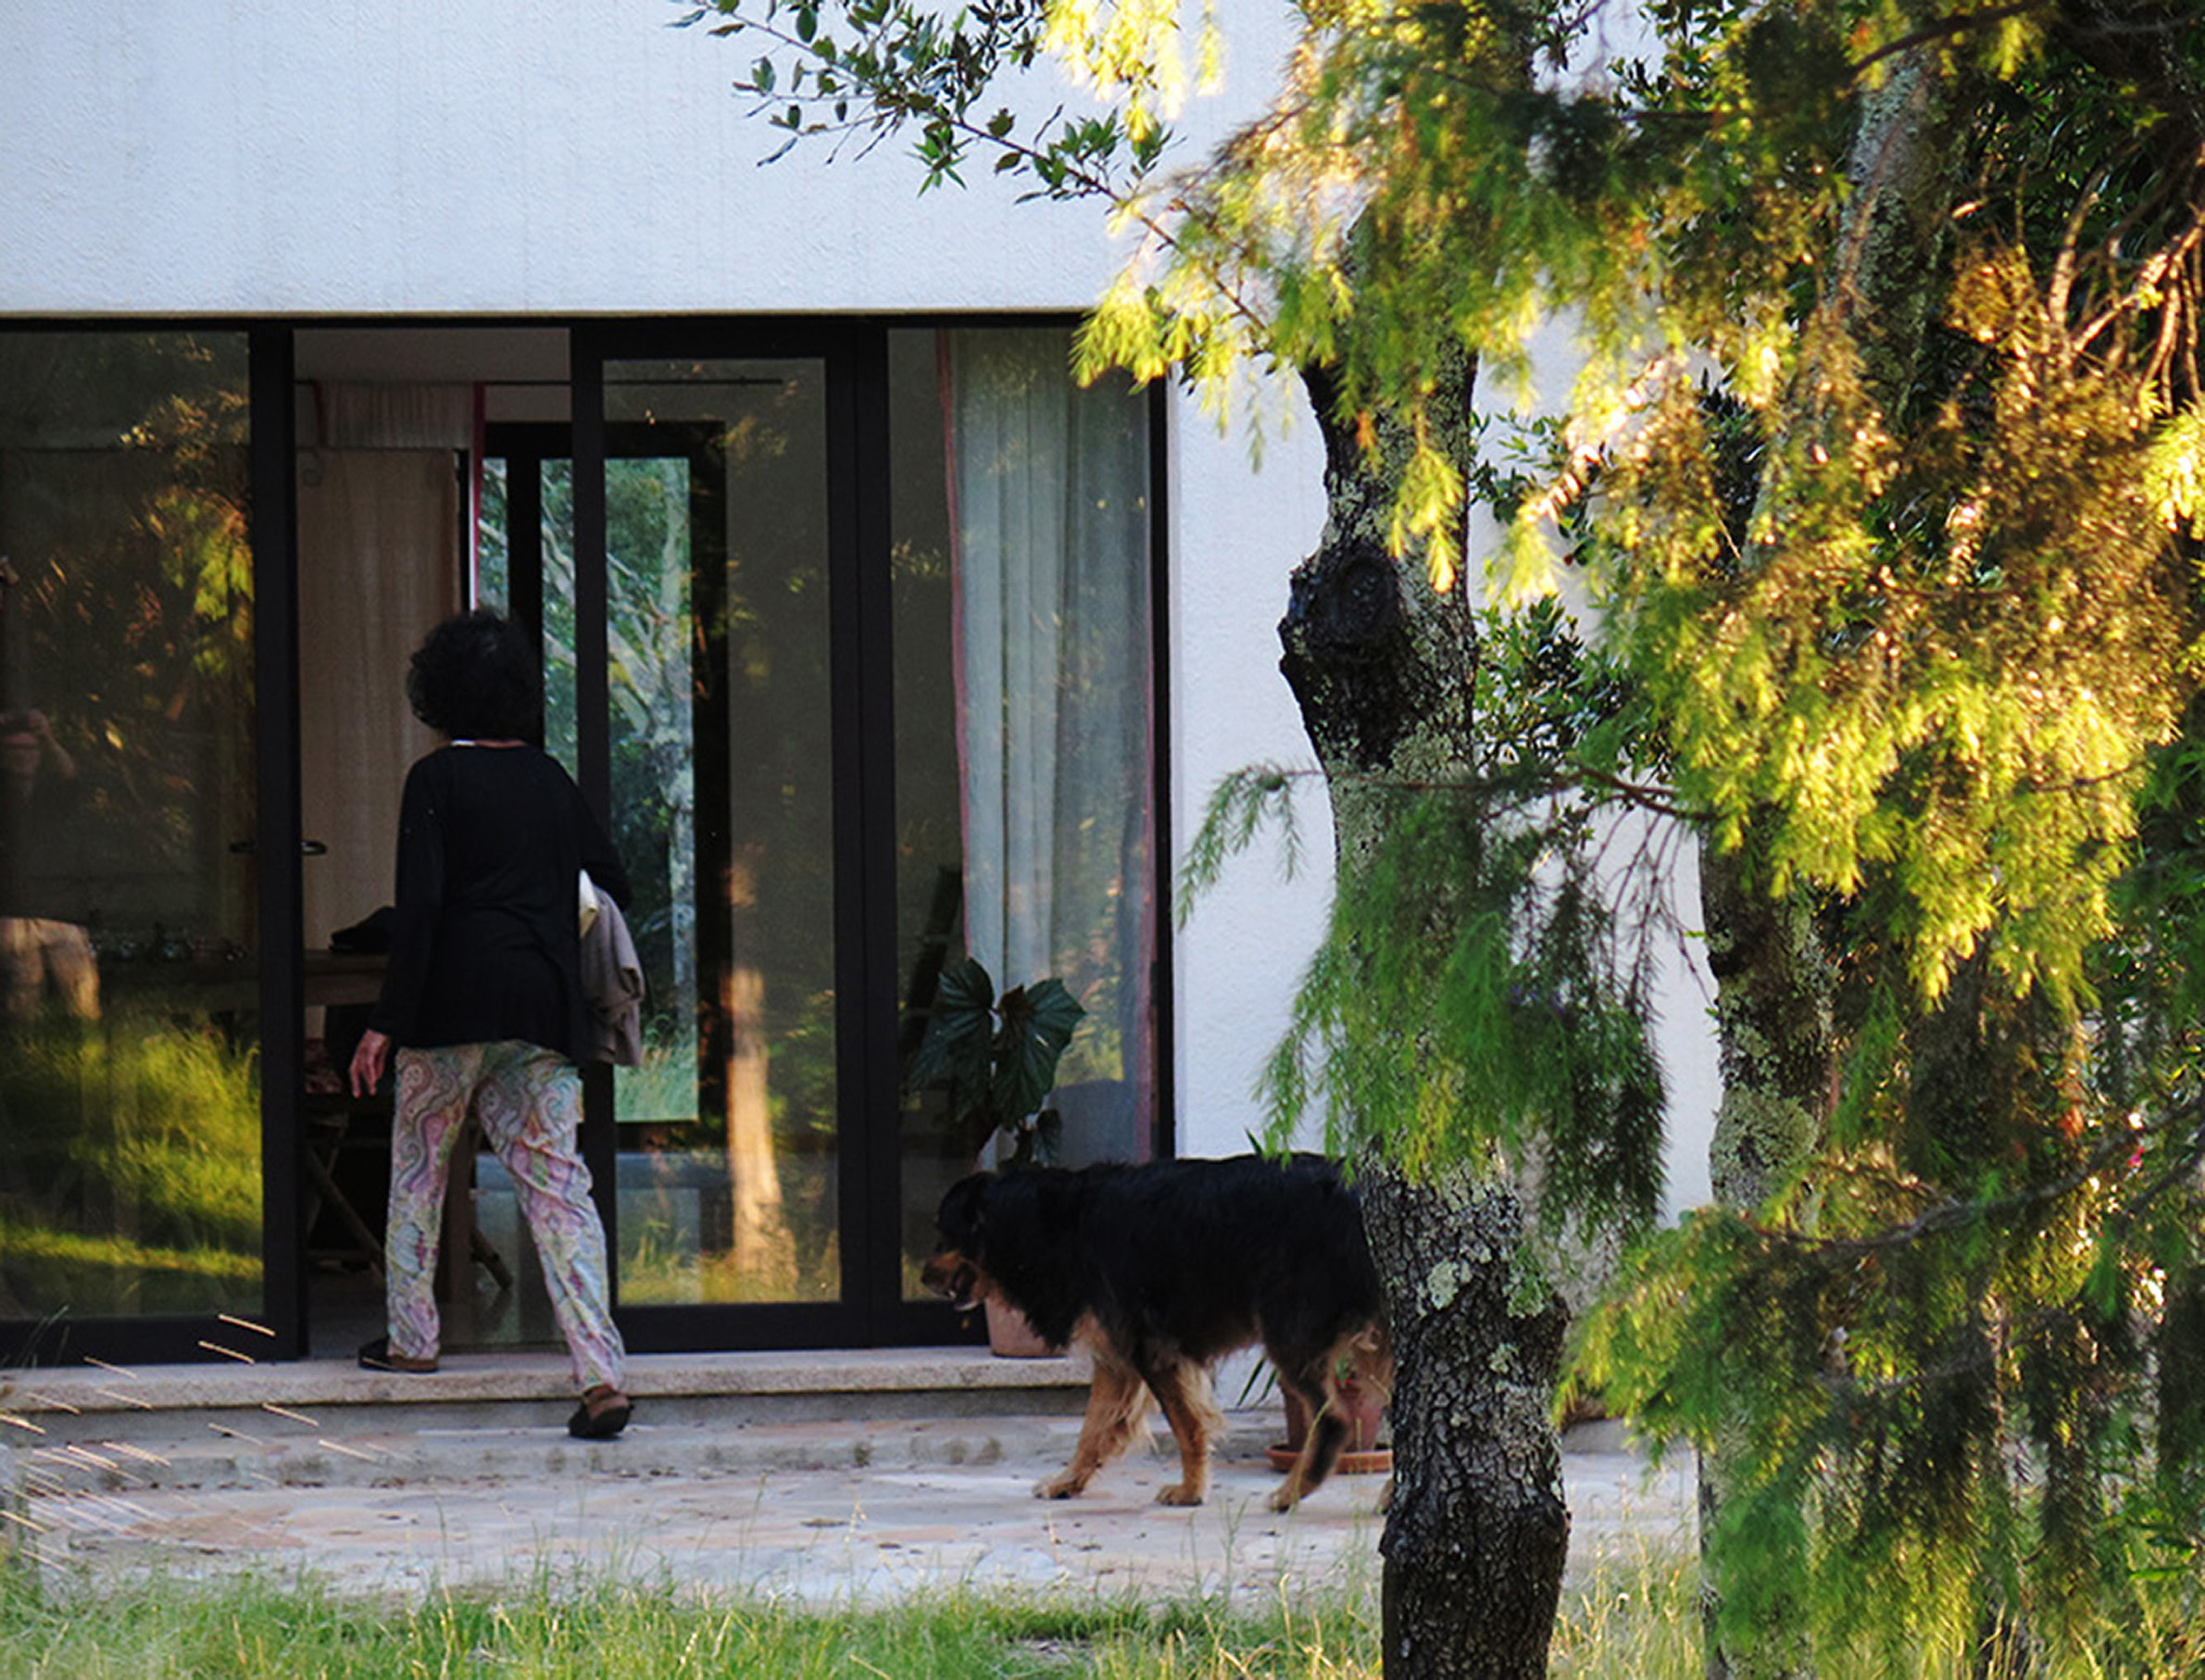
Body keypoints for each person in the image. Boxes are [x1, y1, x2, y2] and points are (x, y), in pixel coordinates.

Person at [348, 610, 636, 1440]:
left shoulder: (435, 782)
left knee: (418, 1173)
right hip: (542, 1009)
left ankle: (412, 1341)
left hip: (449, 1009)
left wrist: (384, 1025)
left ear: (437, 692)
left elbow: (422, 912)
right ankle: (599, 1373)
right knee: (559, 1191)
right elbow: (611, 883)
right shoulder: (552, 781)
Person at [0, 708, 99, 1020]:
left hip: (60, 908)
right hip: (15, 912)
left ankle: (88, 1055)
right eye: (13, 749)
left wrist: (48, 738)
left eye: (28, 748)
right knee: (23, 999)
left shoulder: (53, 790)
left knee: (81, 992)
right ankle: (29, 1059)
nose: (21, 756)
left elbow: (70, 774)